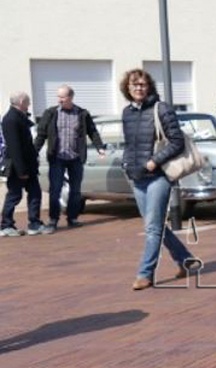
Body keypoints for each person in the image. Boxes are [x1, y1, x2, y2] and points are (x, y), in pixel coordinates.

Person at [118, 70, 196, 289]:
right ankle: (185, 259)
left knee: (152, 228)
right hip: (137, 176)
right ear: (128, 88)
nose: (139, 88)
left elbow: (177, 142)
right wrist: (126, 164)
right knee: (156, 226)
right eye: (134, 85)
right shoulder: (127, 112)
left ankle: (145, 274)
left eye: (143, 84)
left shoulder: (161, 109)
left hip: (158, 176)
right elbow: (129, 144)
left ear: (149, 86)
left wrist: (155, 161)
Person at [33, 84, 106, 231]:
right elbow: (41, 135)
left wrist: (100, 147)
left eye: (63, 97)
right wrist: (34, 152)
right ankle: (53, 219)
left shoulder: (82, 113)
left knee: (76, 190)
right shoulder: (50, 113)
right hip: (57, 157)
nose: (59, 100)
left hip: (76, 157)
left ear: (71, 97)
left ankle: (72, 218)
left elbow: (92, 131)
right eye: (58, 96)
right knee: (55, 190)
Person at [1, 91, 47, 237]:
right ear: (21, 101)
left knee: (35, 193)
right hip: (18, 167)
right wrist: (21, 170)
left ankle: (34, 223)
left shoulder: (20, 117)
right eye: (28, 101)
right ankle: (6, 225)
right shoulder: (11, 119)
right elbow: (14, 146)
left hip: (29, 165)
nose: (29, 104)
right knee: (14, 195)